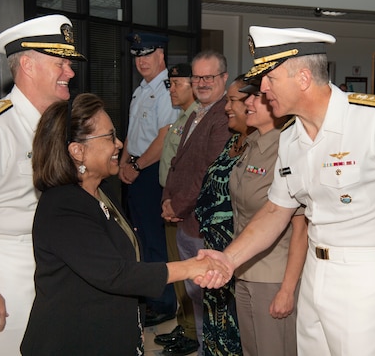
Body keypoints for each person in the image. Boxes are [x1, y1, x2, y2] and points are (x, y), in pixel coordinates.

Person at [198, 26, 375, 356]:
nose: (263, 90)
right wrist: (229, 259)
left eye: (269, 79)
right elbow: (275, 211)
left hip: (366, 278)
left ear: (302, 78)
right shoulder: (290, 138)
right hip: (314, 274)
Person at [20, 93, 227, 355]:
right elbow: (116, 274)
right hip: (72, 341)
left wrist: (134, 323)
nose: (119, 144)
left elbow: (129, 261)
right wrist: (189, 268)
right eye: (109, 137)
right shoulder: (63, 205)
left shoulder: (101, 191)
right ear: (77, 151)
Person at [0, 14, 86, 356]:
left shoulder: (55, 124)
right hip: (5, 274)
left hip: (51, 266)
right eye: (61, 63)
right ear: (27, 65)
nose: (70, 72)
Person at [162, 50, 233, 354]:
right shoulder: (196, 111)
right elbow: (177, 162)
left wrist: (177, 205)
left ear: (223, 78)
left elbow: (208, 172)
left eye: (209, 77)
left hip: (202, 226)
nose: (202, 83)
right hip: (185, 222)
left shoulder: (224, 116)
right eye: (197, 77)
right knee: (195, 297)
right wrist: (167, 197)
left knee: (210, 301)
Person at [231, 78, 308, 356]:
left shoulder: (287, 150)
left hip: (274, 277)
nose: (247, 103)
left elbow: (302, 229)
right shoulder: (252, 143)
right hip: (245, 271)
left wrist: (287, 290)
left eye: (256, 98)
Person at [119, 32, 180, 326]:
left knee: (155, 240)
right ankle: (151, 297)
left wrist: (137, 165)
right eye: (137, 56)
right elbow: (133, 132)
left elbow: (164, 136)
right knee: (140, 236)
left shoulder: (168, 89)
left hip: (152, 172)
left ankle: (164, 302)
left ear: (161, 55)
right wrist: (123, 162)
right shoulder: (142, 89)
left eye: (147, 55)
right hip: (136, 169)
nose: (142, 61)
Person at [194, 75, 252, 355]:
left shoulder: (261, 147)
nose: (227, 107)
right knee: (215, 330)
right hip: (214, 254)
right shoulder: (232, 141)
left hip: (239, 257)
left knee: (237, 333)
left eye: (232, 100)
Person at [154, 63, 200, 355]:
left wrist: (176, 202)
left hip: (184, 208)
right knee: (176, 267)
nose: (171, 88)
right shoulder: (183, 117)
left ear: (193, 85)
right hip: (171, 201)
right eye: (169, 83)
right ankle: (185, 325)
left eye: (177, 83)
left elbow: (194, 170)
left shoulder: (198, 118)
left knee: (186, 271)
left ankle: (193, 331)